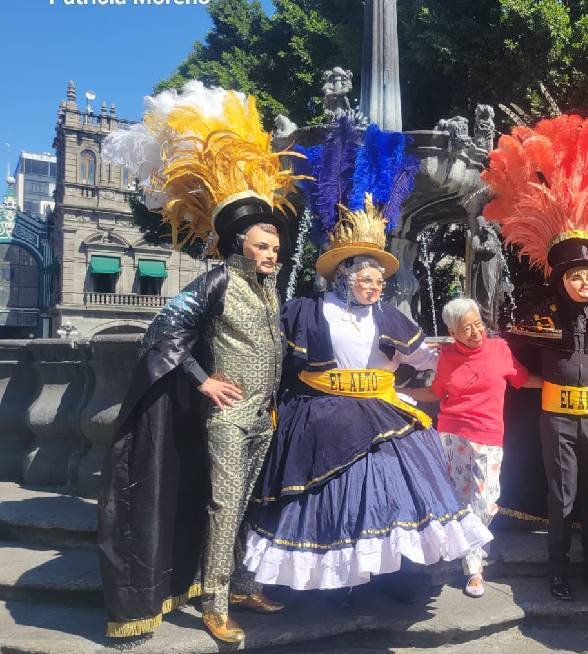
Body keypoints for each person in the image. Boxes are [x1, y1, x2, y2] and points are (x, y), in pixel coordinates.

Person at [243, 119, 492, 601]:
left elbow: (423, 356)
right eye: (366, 278)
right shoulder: (306, 310)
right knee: (332, 493)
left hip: (381, 406)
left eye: (379, 280)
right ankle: (330, 584)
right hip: (321, 412)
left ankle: (395, 575)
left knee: (400, 482)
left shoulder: (386, 316)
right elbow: (277, 360)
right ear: (341, 276)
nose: (375, 286)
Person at [97, 83, 305, 641]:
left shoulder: (271, 292)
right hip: (228, 417)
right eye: (262, 247)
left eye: (276, 249)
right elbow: (163, 333)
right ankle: (215, 602)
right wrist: (203, 380)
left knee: (245, 504)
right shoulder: (215, 281)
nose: (271, 256)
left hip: (262, 416)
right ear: (238, 244)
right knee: (222, 503)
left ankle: (237, 581)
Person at [481, 113, 588, 601]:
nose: (584, 282)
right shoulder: (539, 317)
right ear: (560, 281)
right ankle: (558, 569)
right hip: (555, 420)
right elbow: (510, 356)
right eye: (574, 277)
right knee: (562, 495)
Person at [419, 298, 542, 598]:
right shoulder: (446, 355)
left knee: (486, 501)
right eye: (466, 328)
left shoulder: (499, 348)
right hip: (451, 433)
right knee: (458, 497)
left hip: (488, 435)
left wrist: (565, 385)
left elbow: (522, 380)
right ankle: (474, 567)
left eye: (478, 324)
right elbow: (436, 393)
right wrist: (394, 391)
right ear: (452, 331)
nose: (475, 332)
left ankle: (469, 554)